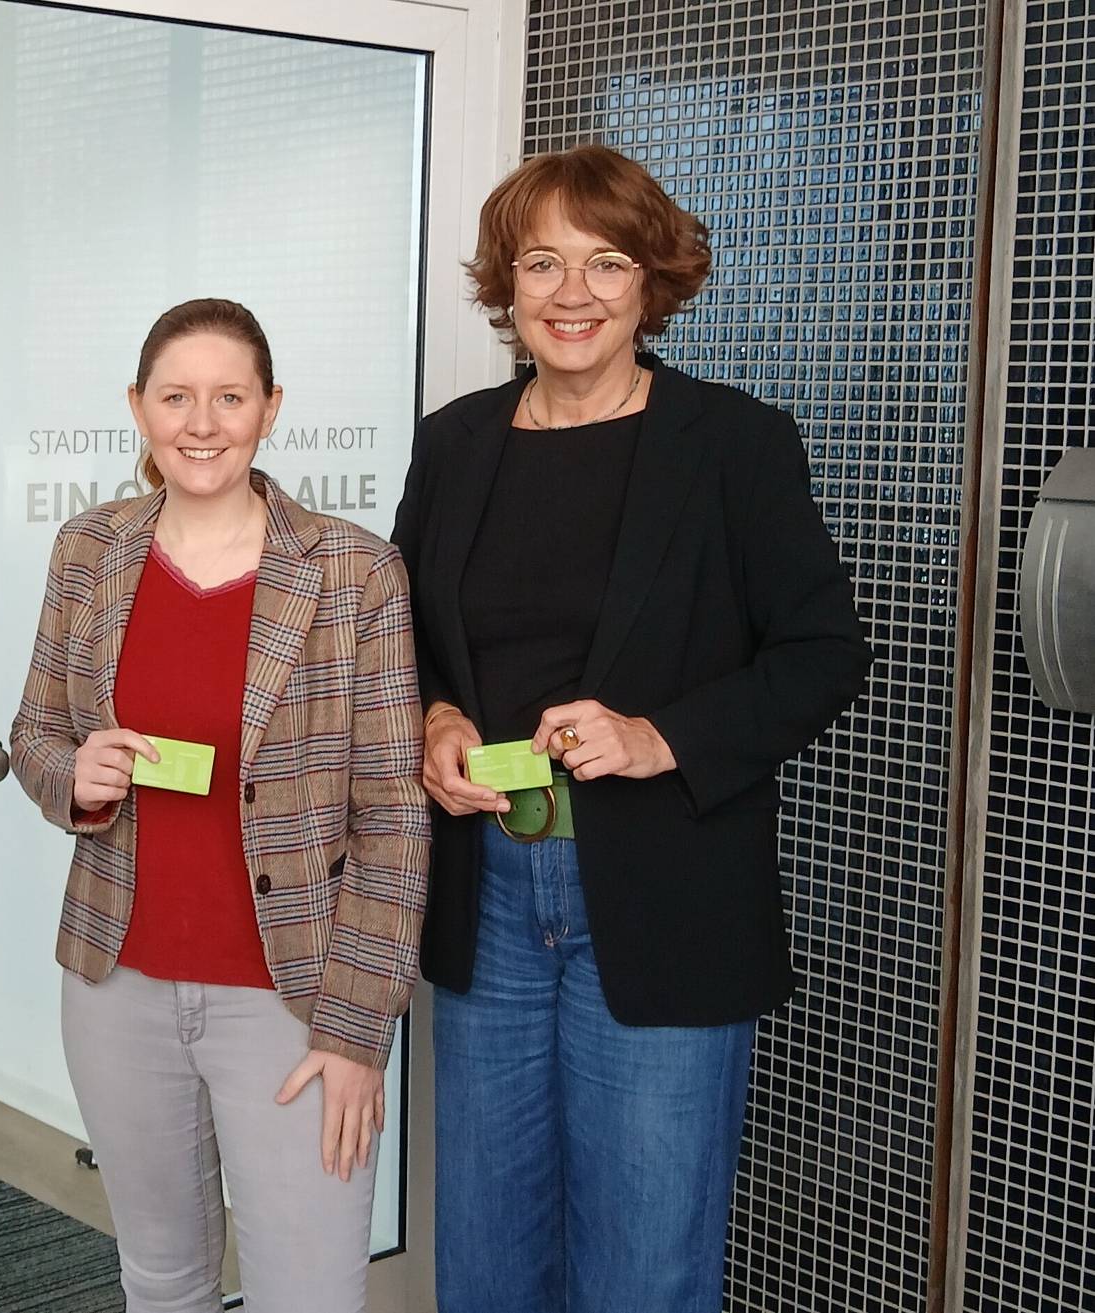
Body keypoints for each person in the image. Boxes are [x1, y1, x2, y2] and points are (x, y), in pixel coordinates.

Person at [391, 144, 873, 1312]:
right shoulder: (455, 441)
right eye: (541, 262)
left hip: (665, 892)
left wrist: (660, 736)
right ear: (506, 284)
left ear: (653, 281)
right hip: (487, 886)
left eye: (606, 263)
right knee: (488, 1258)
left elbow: (824, 652)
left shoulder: (736, 442)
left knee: (645, 1268)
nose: (572, 292)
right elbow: (401, 635)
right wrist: (435, 714)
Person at [11, 298, 431, 1313]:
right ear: (138, 407)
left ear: (270, 408)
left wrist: (356, 1031)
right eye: (176, 398)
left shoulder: (353, 571)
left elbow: (393, 817)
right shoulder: (88, 550)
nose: (201, 424)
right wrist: (75, 776)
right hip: (118, 988)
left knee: (309, 1295)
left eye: (230, 398)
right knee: (162, 1283)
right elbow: (35, 734)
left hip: (293, 1003)